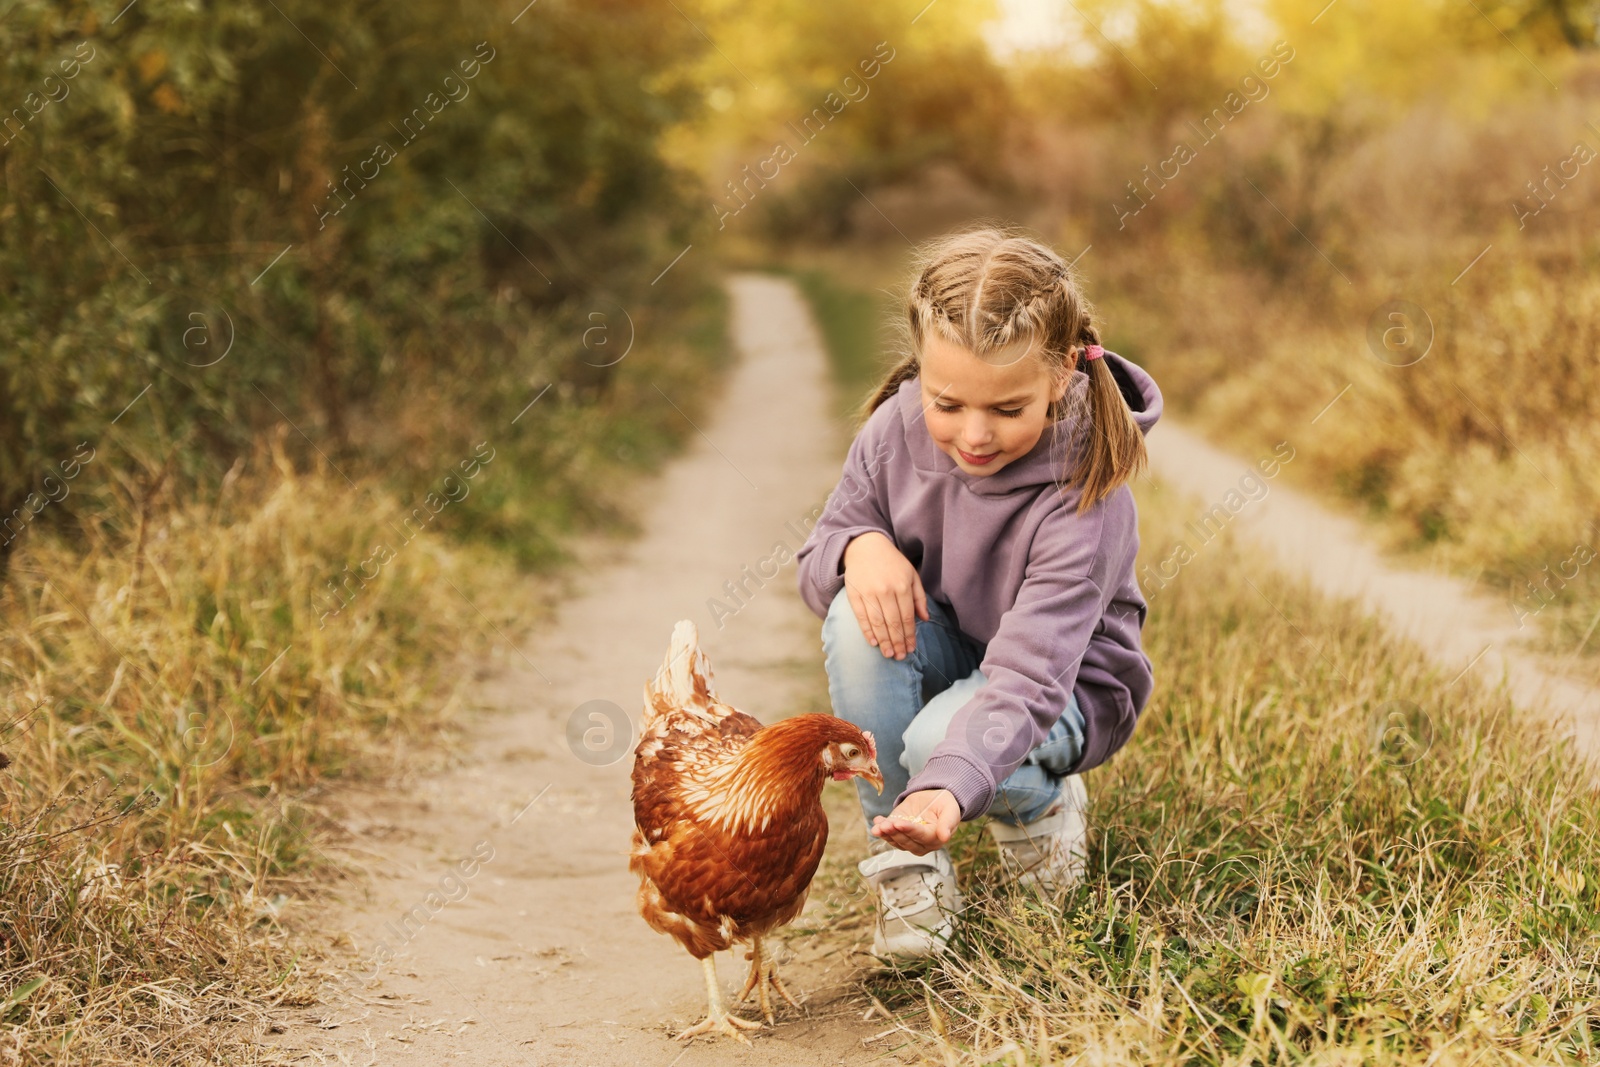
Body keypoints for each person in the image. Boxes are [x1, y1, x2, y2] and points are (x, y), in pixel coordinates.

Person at [795, 224, 1162, 960]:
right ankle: (909, 866)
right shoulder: (895, 429)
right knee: (851, 615)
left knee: (938, 740)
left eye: (1006, 409)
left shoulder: (1087, 492)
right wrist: (857, 547)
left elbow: (1029, 672)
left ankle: (1040, 803)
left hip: (1065, 687)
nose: (973, 434)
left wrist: (949, 784)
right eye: (948, 402)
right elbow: (815, 560)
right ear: (922, 370)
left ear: (1062, 373)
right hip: (957, 652)